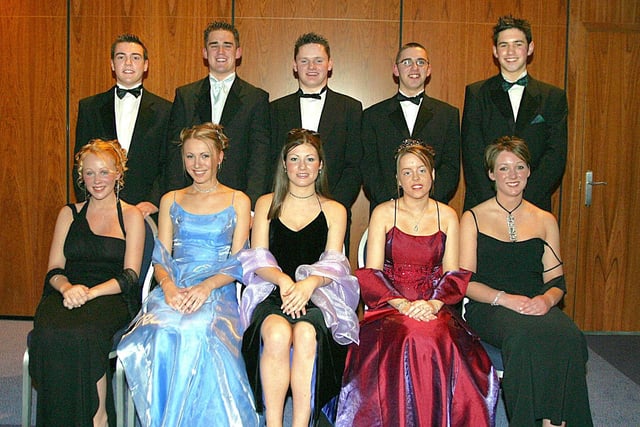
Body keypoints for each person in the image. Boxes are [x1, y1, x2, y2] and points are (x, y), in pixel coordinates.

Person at [336, 140, 498, 426]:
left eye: (421, 170)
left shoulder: (447, 215)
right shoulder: (383, 213)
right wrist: (403, 304)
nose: (415, 178)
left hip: (435, 305)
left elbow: (452, 274)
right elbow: (371, 272)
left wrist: (433, 303)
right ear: (397, 179)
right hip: (390, 306)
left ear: (433, 175)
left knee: (432, 335)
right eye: (407, 172)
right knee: (410, 334)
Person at [117, 123, 259, 427]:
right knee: (164, 328)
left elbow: (238, 262)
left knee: (198, 329)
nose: (197, 165)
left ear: (220, 157)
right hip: (174, 284)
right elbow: (161, 256)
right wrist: (167, 287)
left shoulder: (239, 200)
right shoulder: (171, 199)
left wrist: (206, 288)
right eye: (190, 156)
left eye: (205, 156)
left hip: (217, 287)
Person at [460, 136, 593, 426]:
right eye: (504, 168)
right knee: (522, 338)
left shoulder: (545, 219)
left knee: (569, 335)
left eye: (520, 167)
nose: (513, 175)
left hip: (536, 302)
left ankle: (554, 421)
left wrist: (546, 300)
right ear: (491, 174)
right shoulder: (473, 217)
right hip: (490, 305)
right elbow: (465, 282)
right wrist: (505, 298)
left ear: (529, 171)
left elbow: (556, 280)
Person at [238, 129, 360, 427]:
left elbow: (334, 264)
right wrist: (283, 281)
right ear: (284, 164)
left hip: (316, 296)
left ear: (320, 165)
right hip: (272, 291)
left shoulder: (335, 210)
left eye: (309, 159)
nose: (302, 167)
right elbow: (258, 258)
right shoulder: (267, 203)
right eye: (294, 159)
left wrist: (308, 284)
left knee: (306, 334)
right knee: (278, 334)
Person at [29, 139, 145, 426]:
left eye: (104, 172)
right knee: (50, 333)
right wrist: (67, 288)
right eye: (89, 173)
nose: (97, 180)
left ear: (119, 174)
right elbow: (54, 268)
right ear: (81, 176)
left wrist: (90, 293)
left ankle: (98, 417)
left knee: (83, 334)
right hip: (67, 292)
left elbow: (130, 277)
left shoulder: (131, 216)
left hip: (110, 295)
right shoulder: (68, 214)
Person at [461, 15, 568, 212]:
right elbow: (472, 153)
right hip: (485, 205)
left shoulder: (553, 97)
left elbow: (555, 155)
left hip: (534, 206)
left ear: (530, 48)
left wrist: (523, 202)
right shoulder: (476, 93)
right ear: (495, 51)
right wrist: (496, 203)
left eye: (518, 44)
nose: (510, 52)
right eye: (503, 45)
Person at [165, 20, 270, 206]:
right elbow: (174, 152)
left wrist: (252, 207)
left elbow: (259, 158)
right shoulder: (185, 96)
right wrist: (174, 200)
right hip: (190, 198)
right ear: (205, 53)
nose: (220, 52)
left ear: (238, 52)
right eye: (214, 46)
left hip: (237, 200)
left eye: (227, 46)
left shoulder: (256, 99)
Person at [74, 33, 172, 218]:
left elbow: (169, 162)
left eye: (135, 57)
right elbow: (79, 161)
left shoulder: (166, 110)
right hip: (98, 208)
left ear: (145, 65)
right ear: (112, 64)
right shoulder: (89, 107)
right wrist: (89, 202)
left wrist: (154, 201)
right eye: (121, 57)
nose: (128, 63)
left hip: (146, 211)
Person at [269, 32, 362, 213]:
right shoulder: (275, 109)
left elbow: (354, 166)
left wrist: (333, 207)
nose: (311, 66)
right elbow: (271, 162)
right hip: (285, 210)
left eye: (318, 60)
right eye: (304, 61)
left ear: (330, 64)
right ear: (295, 65)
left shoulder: (350, 108)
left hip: (334, 211)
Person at [361, 42, 460, 211]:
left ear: (428, 70)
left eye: (421, 62)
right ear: (395, 69)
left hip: (433, 210)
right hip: (387, 209)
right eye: (407, 62)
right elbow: (369, 167)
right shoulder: (373, 115)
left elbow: (451, 168)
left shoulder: (448, 114)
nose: (414, 67)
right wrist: (396, 202)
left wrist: (425, 201)